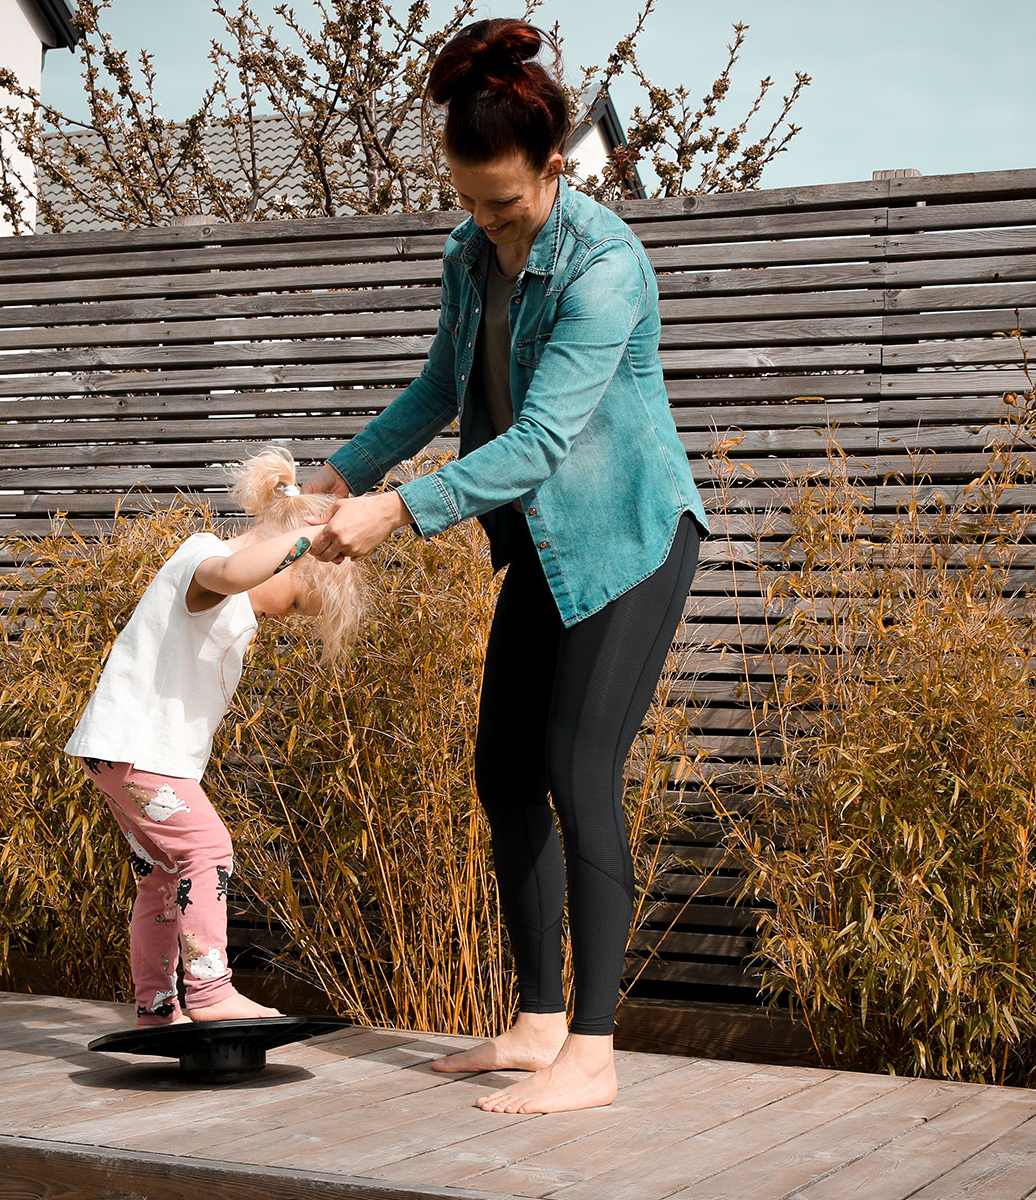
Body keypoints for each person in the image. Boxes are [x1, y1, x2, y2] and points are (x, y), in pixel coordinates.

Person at [303, 18, 709, 1114]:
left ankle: (595, 1049)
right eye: (470, 202)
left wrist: (400, 512)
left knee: (579, 769)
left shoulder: (607, 267)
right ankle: (533, 1025)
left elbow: (539, 440)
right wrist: (345, 473)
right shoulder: (470, 255)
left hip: (628, 537)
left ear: (554, 168)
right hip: (541, 544)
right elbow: (440, 390)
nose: (487, 223)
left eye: (506, 203)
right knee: (500, 767)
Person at [65, 448, 362, 1028]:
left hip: (124, 753)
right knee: (209, 851)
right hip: (136, 750)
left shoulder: (231, 600)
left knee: (163, 875)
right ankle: (209, 991)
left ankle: (157, 1007)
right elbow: (229, 576)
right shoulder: (205, 559)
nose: (286, 618)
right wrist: (314, 536)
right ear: (281, 564)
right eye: (298, 603)